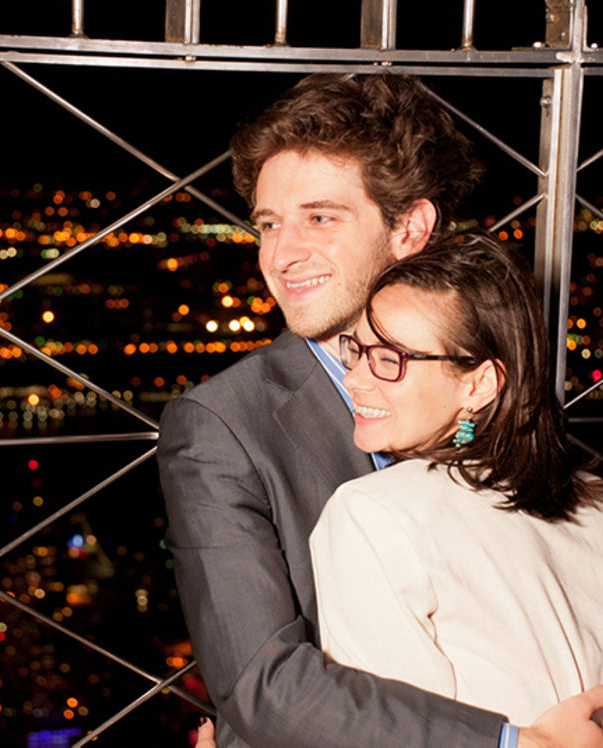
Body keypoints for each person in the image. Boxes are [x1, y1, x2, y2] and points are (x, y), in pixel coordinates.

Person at [157, 73, 603, 747]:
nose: (281, 254)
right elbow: (261, 686)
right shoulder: (221, 426)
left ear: (409, 227)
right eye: (270, 224)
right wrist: (516, 742)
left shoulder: (487, 379)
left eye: (320, 218)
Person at [309, 233, 603, 728]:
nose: (355, 378)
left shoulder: (371, 513)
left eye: (390, 359)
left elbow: (395, 738)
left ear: (480, 383)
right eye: (356, 350)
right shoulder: (591, 500)